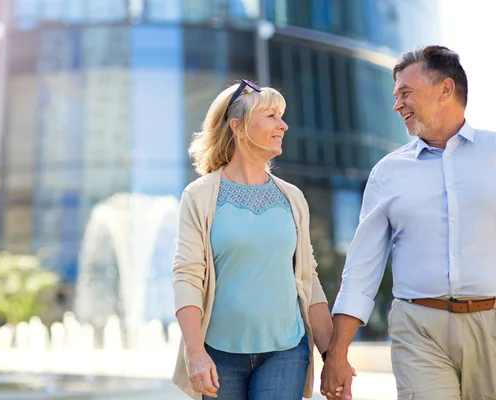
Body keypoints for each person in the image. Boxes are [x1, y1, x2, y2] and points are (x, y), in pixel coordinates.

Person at [320, 45, 496, 400]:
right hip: (418, 328)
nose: (396, 105)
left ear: (445, 90)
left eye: (405, 93)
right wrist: (337, 353)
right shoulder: (387, 172)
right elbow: (362, 268)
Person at [171, 79, 353, 400]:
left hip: (285, 351)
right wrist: (195, 353)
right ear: (238, 127)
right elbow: (187, 276)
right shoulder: (199, 196)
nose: (283, 125)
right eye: (271, 116)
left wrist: (332, 357)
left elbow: (308, 281)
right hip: (218, 354)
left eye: (281, 116)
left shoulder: (292, 197)